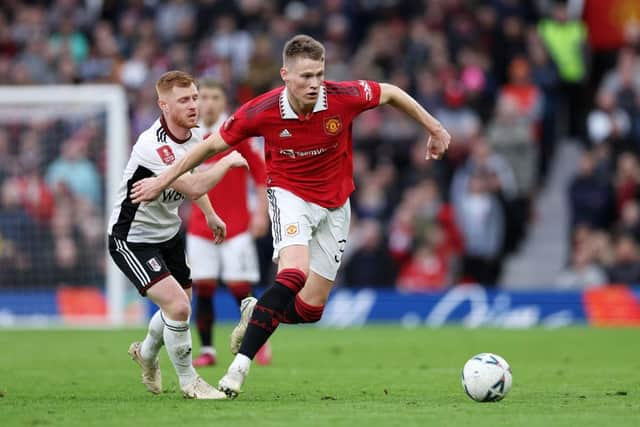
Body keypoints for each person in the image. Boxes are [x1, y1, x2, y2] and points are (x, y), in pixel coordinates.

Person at [131, 35, 451, 398]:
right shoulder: (260, 111)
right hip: (289, 195)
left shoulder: (343, 97)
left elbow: (391, 91)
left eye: (319, 74)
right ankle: (239, 368)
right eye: (305, 77)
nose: (314, 84)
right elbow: (209, 146)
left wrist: (434, 127)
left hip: (336, 204)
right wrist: (162, 180)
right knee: (293, 273)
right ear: (285, 75)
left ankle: (256, 311)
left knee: (310, 309)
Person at [107, 70, 248, 400]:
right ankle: (189, 382)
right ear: (164, 105)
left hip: (168, 234)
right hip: (132, 238)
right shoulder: (152, 146)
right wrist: (226, 163)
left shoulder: (194, 137)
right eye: (184, 100)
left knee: (177, 306)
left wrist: (210, 215)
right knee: (179, 306)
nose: (193, 105)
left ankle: (145, 353)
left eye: (195, 97)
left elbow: (194, 177)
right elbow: (195, 183)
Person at [186, 79, 272, 367]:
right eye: (204, 97)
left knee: (240, 288)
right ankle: (208, 350)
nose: (208, 103)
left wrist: (261, 213)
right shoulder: (189, 135)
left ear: (224, 102)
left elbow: (261, 175)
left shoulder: (237, 133)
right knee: (204, 287)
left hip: (236, 227)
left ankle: (258, 342)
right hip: (200, 227)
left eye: (214, 97)